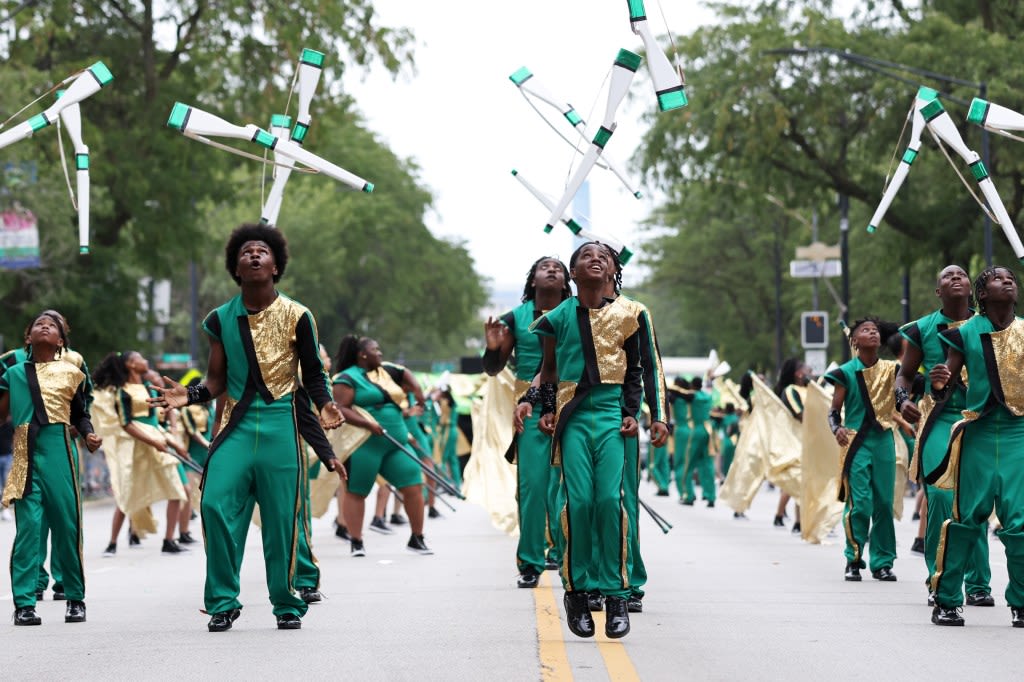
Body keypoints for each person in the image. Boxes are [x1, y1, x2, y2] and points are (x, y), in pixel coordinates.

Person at [151, 223, 345, 632]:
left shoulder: (298, 315)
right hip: (236, 427)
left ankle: (287, 603)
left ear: (276, 266)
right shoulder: (220, 318)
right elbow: (216, 379)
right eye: (245, 253)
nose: (253, 255)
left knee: (282, 521)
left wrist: (326, 403)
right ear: (236, 270)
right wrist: (190, 395)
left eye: (261, 251)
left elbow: (312, 373)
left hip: (280, 428)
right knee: (213, 504)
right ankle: (223, 601)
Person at [530, 241, 669, 640]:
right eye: (585, 255)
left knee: (612, 502)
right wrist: (545, 410)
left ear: (613, 271)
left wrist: (651, 416)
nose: (594, 258)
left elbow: (648, 369)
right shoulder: (556, 318)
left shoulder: (634, 313)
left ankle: (617, 595)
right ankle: (576, 593)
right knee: (580, 502)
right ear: (573, 274)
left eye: (602, 256)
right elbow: (550, 370)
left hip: (614, 417)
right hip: (572, 417)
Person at [928, 266, 1023, 627]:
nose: (1008, 280)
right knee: (968, 520)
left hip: (1020, 435)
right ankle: (948, 599)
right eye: (999, 278)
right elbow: (946, 386)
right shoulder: (965, 333)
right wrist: (937, 384)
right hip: (979, 434)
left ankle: (1022, 602)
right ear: (982, 295)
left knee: (1021, 524)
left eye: (1011, 277)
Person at [896, 265, 993, 608]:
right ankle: (939, 578)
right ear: (938, 291)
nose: (955, 278)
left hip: (981, 421)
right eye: (947, 276)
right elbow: (904, 375)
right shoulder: (923, 329)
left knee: (975, 500)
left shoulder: (993, 323)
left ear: (972, 288)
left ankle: (979, 583)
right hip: (940, 419)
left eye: (961, 275)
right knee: (938, 494)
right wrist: (902, 400)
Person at [1, 311, 101, 625]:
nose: (45, 326)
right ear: (28, 338)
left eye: (52, 326)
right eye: (38, 325)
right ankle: (25, 604)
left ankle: (74, 598)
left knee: (67, 524)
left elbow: (80, 413)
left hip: (60, 449)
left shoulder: (73, 372)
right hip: (24, 450)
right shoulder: (13, 373)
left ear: (61, 341)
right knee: (28, 529)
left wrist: (88, 435)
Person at [483, 255, 572, 589]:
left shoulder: (579, 312)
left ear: (566, 281)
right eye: (544, 267)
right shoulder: (515, 318)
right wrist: (493, 350)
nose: (552, 270)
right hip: (530, 407)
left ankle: (567, 557)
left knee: (563, 486)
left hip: (570, 400)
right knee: (533, 486)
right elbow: (493, 368)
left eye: (558, 268)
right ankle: (531, 561)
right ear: (533, 279)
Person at [331, 335, 432, 557]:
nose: (380, 353)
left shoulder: (385, 371)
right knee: (357, 491)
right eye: (376, 350)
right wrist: (367, 423)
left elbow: (406, 374)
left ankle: (417, 538)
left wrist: (419, 396)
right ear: (362, 354)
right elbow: (341, 408)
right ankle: (356, 541)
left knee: (414, 484)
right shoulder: (347, 377)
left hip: (396, 444)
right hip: (365, 444)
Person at [92, 351, 190, 556]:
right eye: (140, 358)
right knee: (126, 494)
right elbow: (126, 424)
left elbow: (157, 421)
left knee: (177, 490)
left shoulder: (148, 388)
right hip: (136, 446)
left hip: (158, 442)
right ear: (130, 365)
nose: (145, 361)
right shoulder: (123, 391)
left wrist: (175, 444)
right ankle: (112, 543)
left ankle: (169, 540)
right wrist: (153, 441)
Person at [825, 317, 900, 583]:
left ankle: (883, 562)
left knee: (883, 503)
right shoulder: (845, 372)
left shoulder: (892, 369)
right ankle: (853, 558)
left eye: (876, 330)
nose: (873, 333)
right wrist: (837, 429)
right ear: (854, 341)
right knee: (860, 504)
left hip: (883, 441)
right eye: (866, 330)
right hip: (856, 443)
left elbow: (903, 396)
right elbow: (833, 412)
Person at [774, 358, 808, 533]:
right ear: (798, 373)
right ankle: (793, 519)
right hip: (795, 443)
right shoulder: (790, 391)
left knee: (803, 482)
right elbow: (800, 414)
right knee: (797, 481)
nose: (810, 370)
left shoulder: (809, 389)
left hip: (809, 441)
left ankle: (800, 521)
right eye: (805, 368)